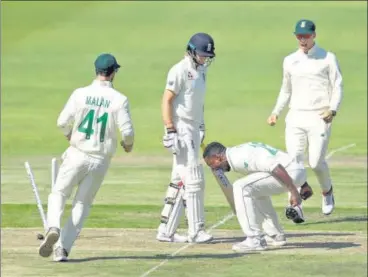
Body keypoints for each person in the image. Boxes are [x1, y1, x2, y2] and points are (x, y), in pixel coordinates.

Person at [38, 53, 135, 261]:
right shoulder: (119, 99)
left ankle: (53, 226)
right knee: (82, 204)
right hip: (100, 159)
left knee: (59, 193)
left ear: (96, 71)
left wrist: (69, 135)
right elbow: (127, 132)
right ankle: (62, 249)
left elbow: (62, 121)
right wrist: (128, 146)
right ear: (113, 73)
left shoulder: (80, 94)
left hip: (77, 153)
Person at [267, 19, 343, 217]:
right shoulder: (290, 60)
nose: (302, 39)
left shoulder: (328, 58)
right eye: (299, 36)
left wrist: (332, 109)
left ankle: (327, 191)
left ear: (314, 35)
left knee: (316, 162)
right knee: (294, 163)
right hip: (295, 116)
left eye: (306, 36)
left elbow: (337, 86)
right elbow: (285, 90)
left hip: (319, 115)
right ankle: (296, 204)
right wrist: (276, 111)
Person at [156, 33, 216, 243]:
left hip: (193, 128)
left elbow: (196, 102)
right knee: (194, 178)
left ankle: (166, 230)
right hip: (180, 128)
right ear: (191, 51)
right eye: (201, 54)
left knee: (179, 179)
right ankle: (196, 231)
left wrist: (200, 126)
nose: (204, 58)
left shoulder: (202, 71)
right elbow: (167, 100)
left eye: (207, 55)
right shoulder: (179, 70)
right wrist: (170, 128)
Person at [203, 141, 312, 252]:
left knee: (241, 187)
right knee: (254, 189)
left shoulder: (239, 157)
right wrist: (303, 183)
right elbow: (280, 160)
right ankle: (275, 234)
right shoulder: (237, 152)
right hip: (295, 171)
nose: (215, 169)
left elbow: (276, 166)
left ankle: (254, 239)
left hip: (289, 172)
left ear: (218, 157)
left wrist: (294, 191)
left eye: (212, 165)